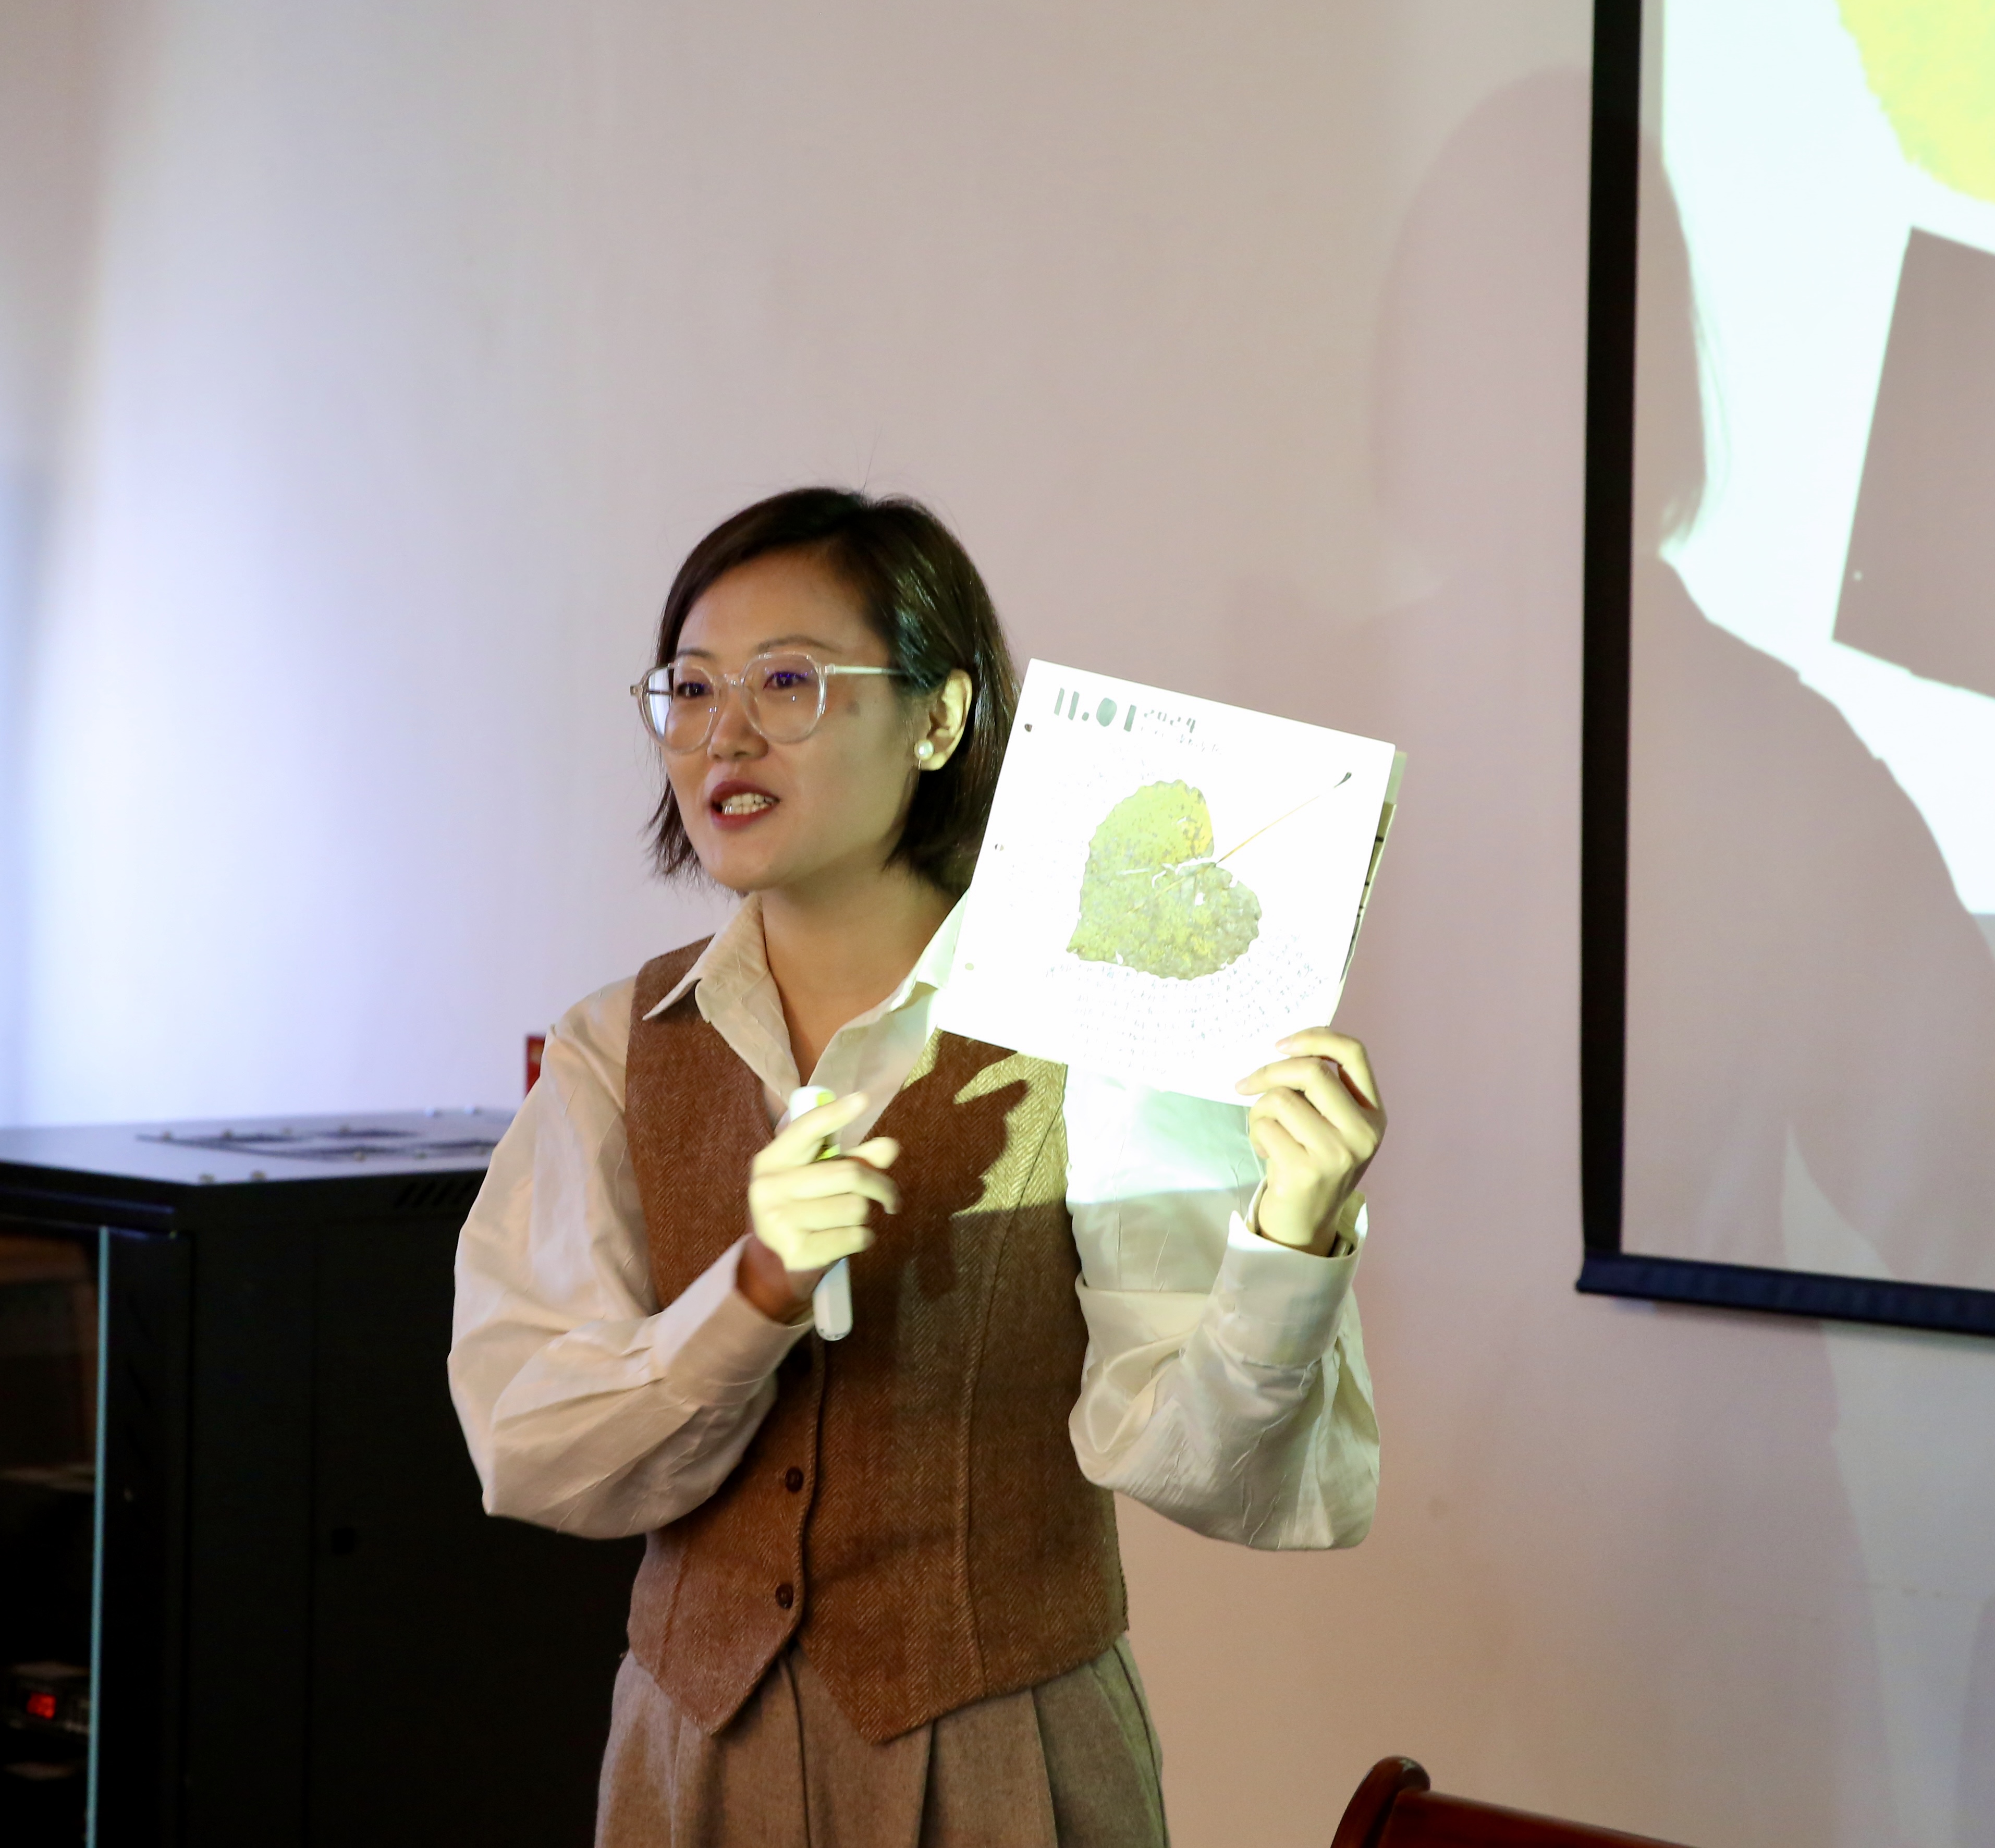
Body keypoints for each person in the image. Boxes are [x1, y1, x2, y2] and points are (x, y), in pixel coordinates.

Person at [449, 488, 1385, 1847]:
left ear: (940, 719)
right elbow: (532, 1449)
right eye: (691, 688)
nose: (725, 734)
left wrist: (1288, 1243)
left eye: (788, 682)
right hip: (691, 1762)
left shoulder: (1104, 1024)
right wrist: (754, 1295)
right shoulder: (615, 1046)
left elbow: (1214, 1469)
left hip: (1008, 1759)